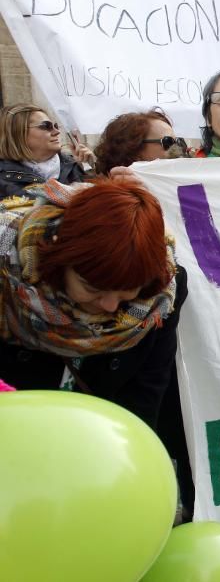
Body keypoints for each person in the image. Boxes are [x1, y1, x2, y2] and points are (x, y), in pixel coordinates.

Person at [0, 179, 190, 513]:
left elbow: (145, 395)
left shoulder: (160, 296)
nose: (108, 306)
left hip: (98, 468)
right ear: (59, 258)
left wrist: (128, 474)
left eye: (127, 291)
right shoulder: (8, 271)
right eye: (92, 287)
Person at [0, 104, 89, 198]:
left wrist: (90, 168)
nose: (57, 132)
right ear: (17, 133)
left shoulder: (75, 165)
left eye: (56, 126)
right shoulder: (3, 177)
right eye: (46, 126)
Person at [94, 109, 185, 175]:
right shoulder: (110, 198)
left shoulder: (181, 185)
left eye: (178, 142)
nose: (177, 149)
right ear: (133, 148)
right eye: (168, 142)